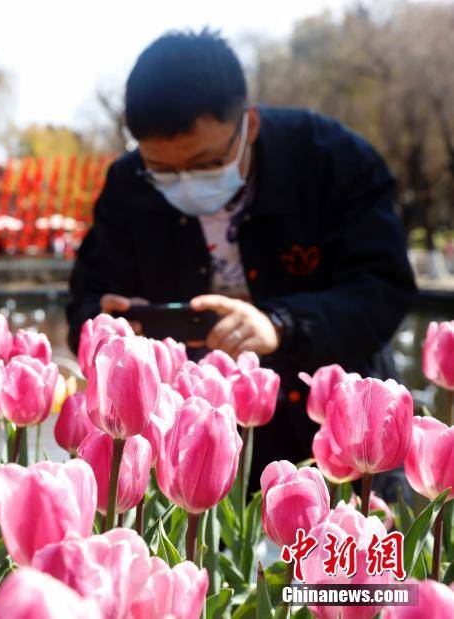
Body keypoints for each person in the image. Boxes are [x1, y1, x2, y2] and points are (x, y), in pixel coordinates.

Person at [67, 29, 416, 492]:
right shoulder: (128, 184)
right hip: (194, 441)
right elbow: (83, 304)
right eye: (164, 173)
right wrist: (109, 328)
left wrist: (283, 324)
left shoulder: (332, 160)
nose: (186, 182)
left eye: (206, 162)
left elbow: (383, 289)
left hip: (344, 429)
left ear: (248, 125)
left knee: (350, 556)